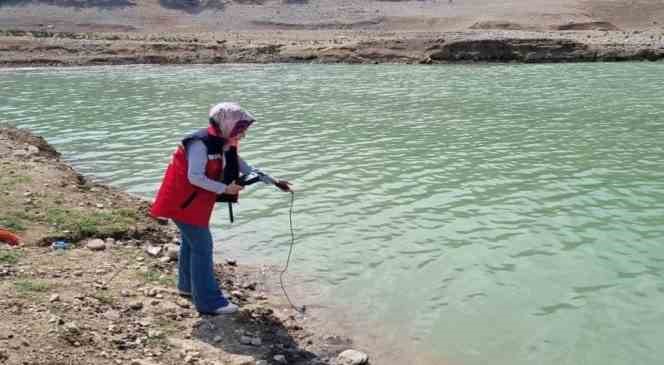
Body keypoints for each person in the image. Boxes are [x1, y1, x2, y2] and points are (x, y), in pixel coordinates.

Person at [150, 102, 291, 315]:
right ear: (225, 124)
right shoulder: (199, 143)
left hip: (194, 204)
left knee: (191, 244)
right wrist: (225, 187)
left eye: (243, 130)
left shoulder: (224, 143)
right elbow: (194, 177)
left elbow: (246, 167)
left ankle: (187, 287)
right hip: (182, 203)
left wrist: (273, 181)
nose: (242, 134)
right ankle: (209, 302)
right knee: (202, 247)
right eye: (239, 129)